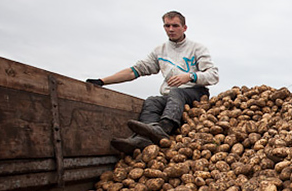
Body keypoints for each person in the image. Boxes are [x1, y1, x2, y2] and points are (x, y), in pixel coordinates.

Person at [87, 11, 219, 154]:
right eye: (167, 26)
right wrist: (102, 81)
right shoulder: (160, 51)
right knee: (152, 101)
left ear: (184, 28)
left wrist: (190, 76)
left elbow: (213, 75)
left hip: (195, 94)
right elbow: (135, 71)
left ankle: (164, 128)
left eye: (175, 25)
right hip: (172, 98)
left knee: (176, 92)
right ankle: (144, 137)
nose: (171, 29)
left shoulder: (197, 48)